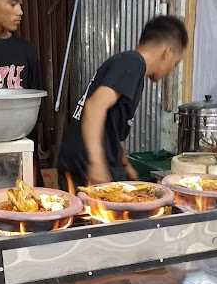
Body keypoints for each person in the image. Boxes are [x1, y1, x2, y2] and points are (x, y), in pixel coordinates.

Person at [58, 15, 188, 187]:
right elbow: (94, 106)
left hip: (86, 165)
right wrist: (96, 163)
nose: (172, 69)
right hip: (86, 170)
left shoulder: (131, 66)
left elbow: (114, 126)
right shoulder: (132, 63)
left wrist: (125, 163)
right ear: (167, 52)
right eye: (176, 63)